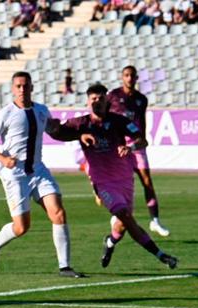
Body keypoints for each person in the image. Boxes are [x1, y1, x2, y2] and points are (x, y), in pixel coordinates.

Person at [55, 84, 178, 270]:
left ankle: (110, 242)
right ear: (88, 101)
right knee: (127, 217)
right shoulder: (80, 124)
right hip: (103, 183)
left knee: (121, 226)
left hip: (125, 180)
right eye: (93, 99)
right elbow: (58, 133)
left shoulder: (119, 121)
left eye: (100, 98)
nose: (97, 101)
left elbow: (142, 140)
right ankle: (161, 255)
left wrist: (131, 148)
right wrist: (73, 134)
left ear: (107, 100)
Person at [0, 72, 84, 278]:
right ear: (12, 89)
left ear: (32, 88)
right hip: (15, 173)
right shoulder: (5, 113)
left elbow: (54, 129)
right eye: (18, 86)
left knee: (58, 212)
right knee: (22, 227)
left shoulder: (41, 110)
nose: (22, 89)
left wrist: (79, 133)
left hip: (38, 170)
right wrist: (3, 159)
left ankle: (65, 267)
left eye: (25, 86)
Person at [107, 65, 170, 237]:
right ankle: (116, 214)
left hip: (135, 145)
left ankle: (155, 220)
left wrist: (140, 139)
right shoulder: (113, 96)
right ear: (122, 77)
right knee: (120, 182)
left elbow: (141, 121)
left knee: (147, 181)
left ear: (136, 78)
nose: (129, 78)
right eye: (126, 75)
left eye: (132, 76)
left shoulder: (141, 99)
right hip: (118, 146)